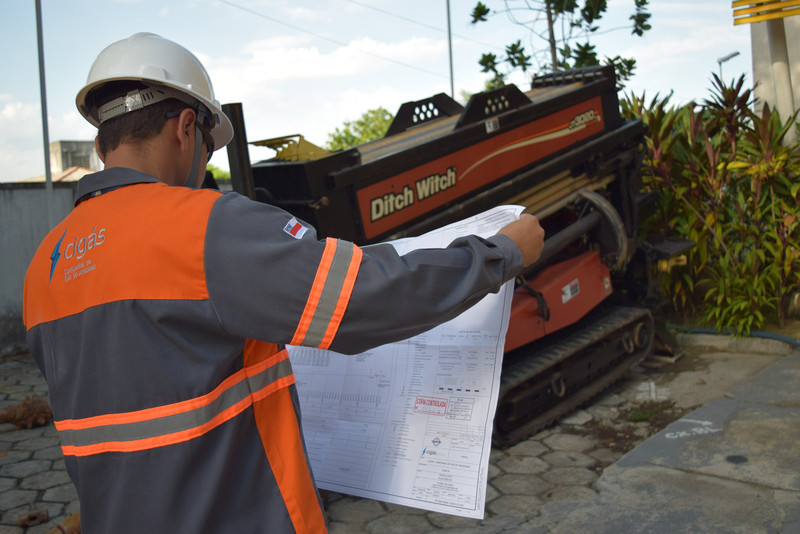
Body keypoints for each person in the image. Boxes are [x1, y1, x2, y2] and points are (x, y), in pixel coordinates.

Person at [23, 33, 545, 533]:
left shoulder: (44, 267)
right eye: (207, 145)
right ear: (185, 127)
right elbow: (369, 297)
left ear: (99, 143)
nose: (204, 162)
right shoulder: (203, 227)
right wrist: (501, 252)